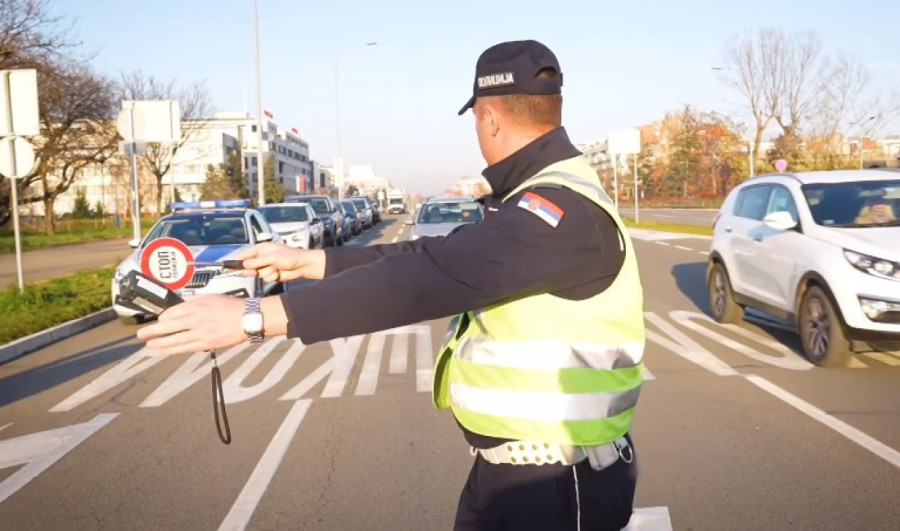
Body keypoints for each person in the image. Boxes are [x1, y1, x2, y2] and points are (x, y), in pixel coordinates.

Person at [137, 39, 646, 530]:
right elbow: (431, 256)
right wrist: (314, 261)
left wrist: (254, 319)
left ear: (488, 117)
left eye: (476, 122)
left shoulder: (554, 210)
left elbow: (420, 280)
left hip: (556, 487)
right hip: (522, 476)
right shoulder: (544, 198)